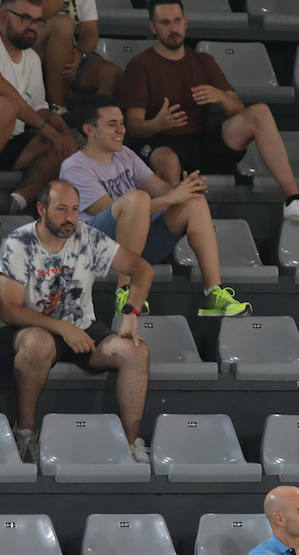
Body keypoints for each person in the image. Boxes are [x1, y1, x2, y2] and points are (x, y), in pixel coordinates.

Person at [122, 1, 299, 223]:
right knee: (167, 159)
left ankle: (293, 200)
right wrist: (157, 124)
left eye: (177, 21)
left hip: (199, 143)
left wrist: (221, 97)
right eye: (165, 23)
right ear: (153, 27)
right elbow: (133, 125)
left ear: (185, 23)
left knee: (259, 113)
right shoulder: (140, 65)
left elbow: (239, 111)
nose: (173, 28)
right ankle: (172, 229)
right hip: (159, 142)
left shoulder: (203, 61)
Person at [0, 179, 152, 463]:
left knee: (135, 351)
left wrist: (131, 314)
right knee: (37, 344)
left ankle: (131, 445)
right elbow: (10, 310)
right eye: (61, 209)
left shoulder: (89, 237)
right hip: (32, 325)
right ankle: (25, 433)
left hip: (83, 327)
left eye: (74, 209)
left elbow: (142, 270)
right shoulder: (18, 243)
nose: (70, 218)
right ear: (41, 209)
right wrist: (62, 328)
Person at [60, 98, 252, 318]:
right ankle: (124, 291)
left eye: (122, 123)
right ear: (89, 130)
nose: (122, 130)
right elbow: (114, 211)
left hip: (135, 240)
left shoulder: (125, 154)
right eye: (113, 124)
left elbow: (161, 189)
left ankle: (213, 293)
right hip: (97, 248)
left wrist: (184, 188)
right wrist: (171, 198)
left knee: (193, 201)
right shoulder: (74, 166)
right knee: (137, 199)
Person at [0, 0, 77, 216]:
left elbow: (39, 109)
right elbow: (12, 101)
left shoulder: (32, 58)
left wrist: (61, 130)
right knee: (6, 107)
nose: (33, 27)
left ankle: (16, 202)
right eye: (26, 19)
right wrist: (48, 129)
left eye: (37, 21)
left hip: (12, 140)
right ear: (4, 17)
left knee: (67, 146)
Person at [34, 0, 122, 112]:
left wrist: (81, 54)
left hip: (69, 49)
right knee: (63, 24)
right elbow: (36, 16)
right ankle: (59, 110)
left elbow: (90, 31)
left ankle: (99, 121)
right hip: (29, 45)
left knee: (110, 74)